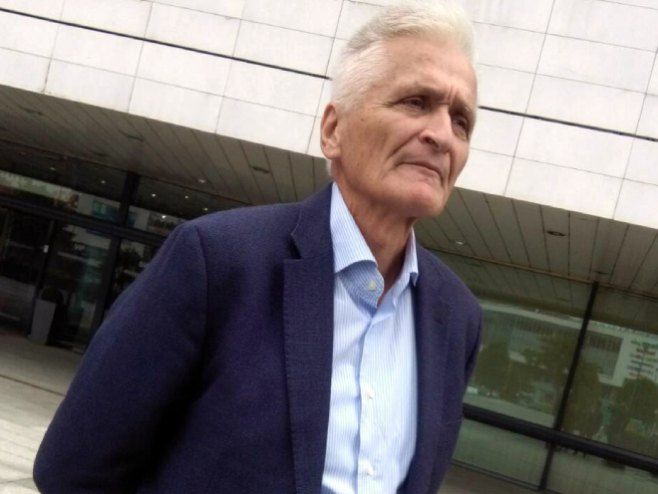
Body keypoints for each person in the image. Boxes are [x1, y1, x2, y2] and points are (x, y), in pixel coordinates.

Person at [33, 1, 482, 493]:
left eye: (461, 121)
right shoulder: (217, 261)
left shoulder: (455, 317)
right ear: (333, 130)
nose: (442, 135)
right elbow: (74, 470)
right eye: (416, 102)